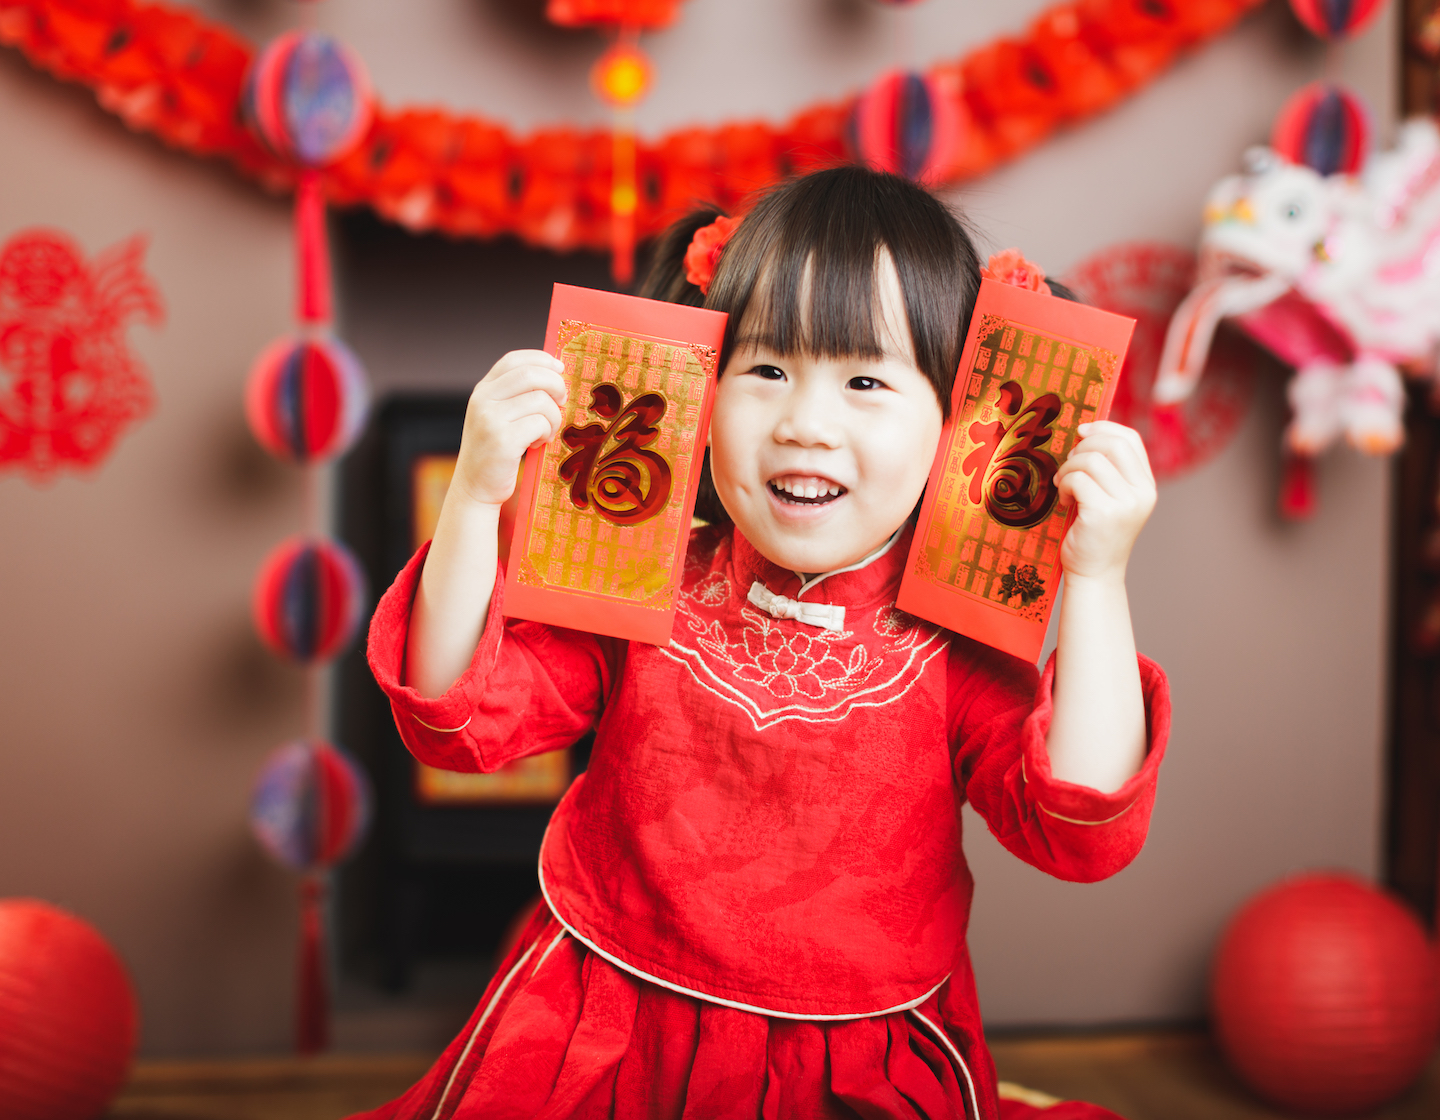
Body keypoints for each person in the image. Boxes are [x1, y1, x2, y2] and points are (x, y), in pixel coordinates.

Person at [355, 166, 1169, 1120]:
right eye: (769, 370)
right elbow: (454, 719)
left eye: (865, 380)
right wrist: (475, 497)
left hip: (853, 1068)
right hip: (602, 1034)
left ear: (956, 423)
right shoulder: (641, 573)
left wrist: (1098, 577)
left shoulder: (953, 642)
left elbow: (1081, 826)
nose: (806, 425)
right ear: (703, 392)